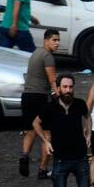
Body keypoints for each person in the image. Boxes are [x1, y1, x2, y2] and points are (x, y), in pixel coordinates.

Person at [33, 74, 94, 187]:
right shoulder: (50, 108)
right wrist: (45, 141)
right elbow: (35, 123)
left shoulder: (79, 104)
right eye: (65, 87)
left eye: (71, 87)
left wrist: (88, 133)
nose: (68, 90)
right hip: (60, 159)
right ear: (58, 88)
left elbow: (88, 117)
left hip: (80, 157)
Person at [20, 29, 61, 179]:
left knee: (30, 130)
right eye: (54, 40)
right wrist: (58, 96)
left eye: (58, 40)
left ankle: (25, 156)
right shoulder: (48, 57)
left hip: (27, 96)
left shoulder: (36, 53)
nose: (57, 43)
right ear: (46, 41)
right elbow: (52, 81)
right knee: (47, 133)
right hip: (40, 97)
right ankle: (43, 169)